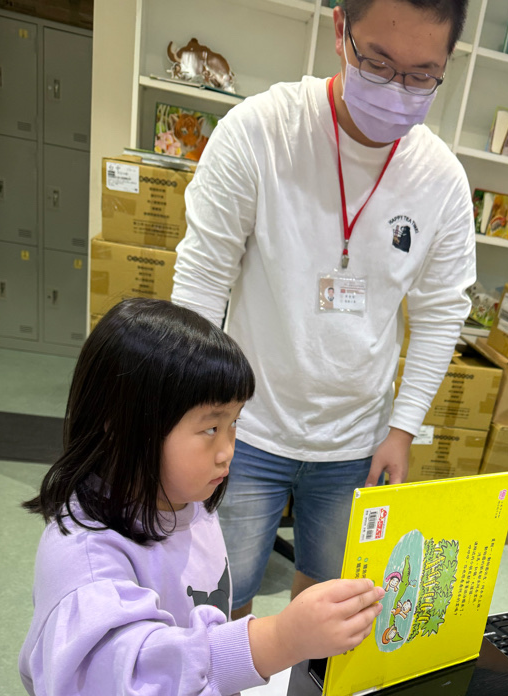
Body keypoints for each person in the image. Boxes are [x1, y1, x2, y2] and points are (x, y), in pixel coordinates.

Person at [171, 0, 475, 619]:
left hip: (358, 440)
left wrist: (402, 429)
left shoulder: (441, 179)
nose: (397, 90)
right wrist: (192, 415)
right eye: (378, 62)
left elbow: (442, 313)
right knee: (221, 601)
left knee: (331, 604)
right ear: (340, 30)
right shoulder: (261, 130)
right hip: (246, 428)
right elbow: (202, 278)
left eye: (422, 75)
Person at [18, 299, 384, 696]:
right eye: (211, 427)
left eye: (234, 424)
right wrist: (278, 640)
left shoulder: (185, 499)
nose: (228, 450)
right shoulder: (85, 557)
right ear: (124, 426)